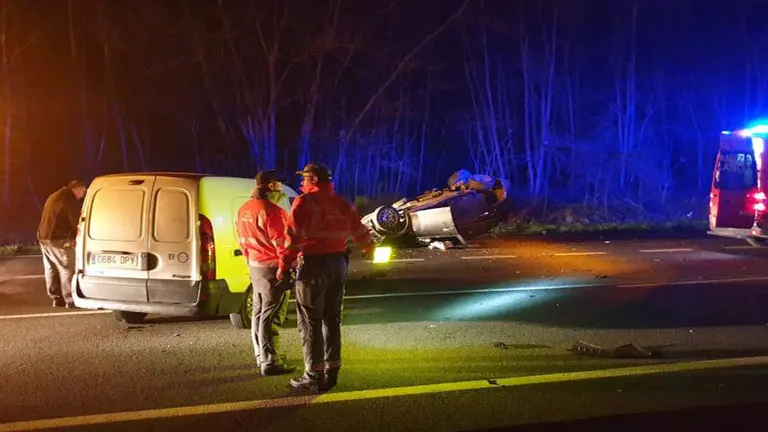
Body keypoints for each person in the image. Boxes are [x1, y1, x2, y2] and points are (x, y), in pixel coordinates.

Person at [279, 162, 374, 391]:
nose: (301, 182)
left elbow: (293, 239)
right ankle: (332, 371)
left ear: (313, 179)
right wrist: (368, 248)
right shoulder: (343, 203)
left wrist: (284, 266)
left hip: (313, 266)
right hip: (338, 264)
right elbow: (360, 232)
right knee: (332, 320)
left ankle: (313, 375)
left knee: (310, 321)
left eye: (304, 178)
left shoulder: (305, 203)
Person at [235, 170, 295, 376]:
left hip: (255, 266)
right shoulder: (273, 212)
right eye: (278, 185)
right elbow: (283, 246)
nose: (280, 188)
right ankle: (270, 361)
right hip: (273, 269)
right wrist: (286, 269)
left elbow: (242, 242)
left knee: (259, 313)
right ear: (271, 186)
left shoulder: (243, 209)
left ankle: (261, 355)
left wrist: (250, 262)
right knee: (272, 315)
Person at [37, 180, 87, 308]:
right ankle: (70, 300)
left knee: (51, 268)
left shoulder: (55, 195)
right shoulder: (69, 199)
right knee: (67, 268)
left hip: (44, 237)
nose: (82, 196)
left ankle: (56, 298)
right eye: (83, 192)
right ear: (77, 188)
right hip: (58, 239)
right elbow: (76, 220)